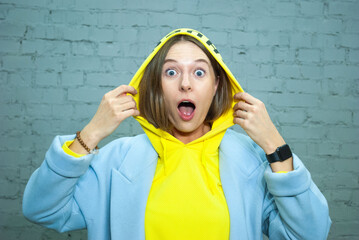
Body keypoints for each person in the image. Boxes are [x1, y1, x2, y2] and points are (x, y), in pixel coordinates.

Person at [22, 28, 331, 240]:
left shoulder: (249, 163)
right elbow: (41, 209)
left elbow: (309, 233)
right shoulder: (116, 161)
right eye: (171, 72)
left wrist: (275, 146)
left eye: (199, 72)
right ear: (157, 85)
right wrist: (90, 134)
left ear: (216, 86)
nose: (185, 84)